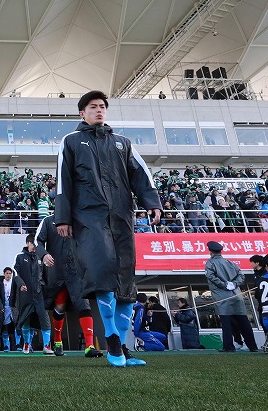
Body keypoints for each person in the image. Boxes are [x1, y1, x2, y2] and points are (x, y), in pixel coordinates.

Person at [55, 90, 162, 367]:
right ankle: (112, 339)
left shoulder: (122, 143)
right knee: (103, 272)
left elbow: (141, 175)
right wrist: (62, 218)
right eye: (93, 107)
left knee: (126, 281)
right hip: (88, 218)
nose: (99, 110)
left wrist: (152, 203)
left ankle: (123, 348)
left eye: (102, 106)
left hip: (122, 217)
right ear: (82, 113)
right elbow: (63, 181)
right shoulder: (71, 141)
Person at [35, 214, 103, 358]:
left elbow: (90, 241)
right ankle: (58, 341)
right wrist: (44, 255)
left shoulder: (79, 219)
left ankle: (89, 346)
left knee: (84, 304)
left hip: (76, 271)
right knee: (59, 306)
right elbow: (37, 241)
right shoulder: (48, 221)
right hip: (56, 271)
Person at [204, 241, 258, 353]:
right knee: (244, 322)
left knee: (226, 323)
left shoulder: (210, 263)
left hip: (222, 296)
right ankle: (252, 346)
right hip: (236, 295)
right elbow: (241, 276)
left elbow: (211, 276)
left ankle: (229, 346)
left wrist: (224, 285)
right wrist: (234, 284)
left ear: (210, 251)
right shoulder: (230, 263)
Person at [14, 234, 52, 355]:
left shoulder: (41, 258)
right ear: (28, 243)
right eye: (33, 244)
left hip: (40, 294)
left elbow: (46, 276)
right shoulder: (19, 257)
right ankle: (26, 344)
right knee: (26, 321)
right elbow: (15, 272)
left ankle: (47, 346)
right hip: (26, 295)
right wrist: (21, 284)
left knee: (45, 320)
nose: (35, 247)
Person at [0, 267, 17, 352]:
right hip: (4, 309)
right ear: (4, 274)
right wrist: (0, 307)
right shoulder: (0, 284)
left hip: (13, 308)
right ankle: (6, 346)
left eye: (10, 273)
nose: (8, 275)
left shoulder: (14, 283)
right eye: (7, 273)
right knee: (4, 327)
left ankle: (18, 345)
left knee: (16, 326)